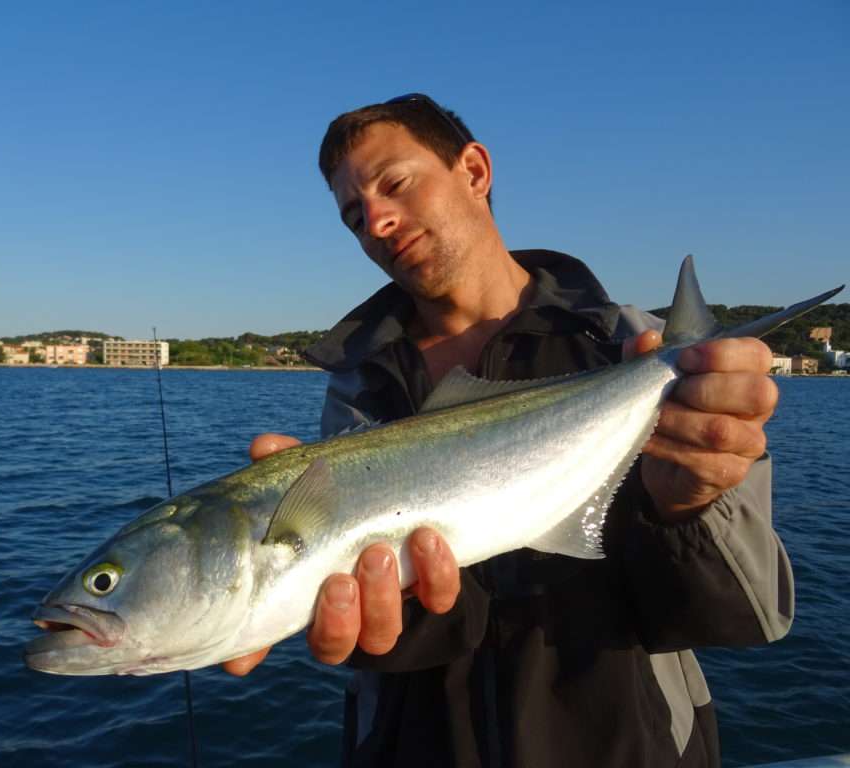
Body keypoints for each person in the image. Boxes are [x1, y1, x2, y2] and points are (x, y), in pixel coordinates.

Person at [224, 94, 793, 767]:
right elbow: (409, 625)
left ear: (473, 169)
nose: (376, 221)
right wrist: (399, 612)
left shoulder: (634, 349)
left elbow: (754, 614)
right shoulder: (360, 388)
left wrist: (686, 510)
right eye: (354, 216)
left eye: (395, 184)